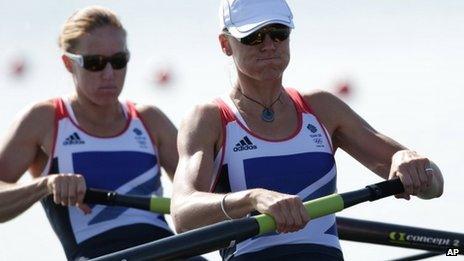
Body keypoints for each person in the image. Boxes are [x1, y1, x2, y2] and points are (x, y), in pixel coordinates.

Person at [171, 0, 444, 260]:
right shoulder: (210, 118)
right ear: (225, 44)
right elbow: (183, 215)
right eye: (253, 36)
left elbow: (435, 185)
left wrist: (409, 161)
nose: (269, 45)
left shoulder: (322, 108)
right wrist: (252, 198)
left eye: (278, 33)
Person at [0, 6, 179, 260]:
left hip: (171, 251)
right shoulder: (44, 120)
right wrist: (45, 185)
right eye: (94, 63)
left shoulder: (150, 119)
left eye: (118, 61)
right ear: (68, 63)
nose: (109, 75)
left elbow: (202, 194)